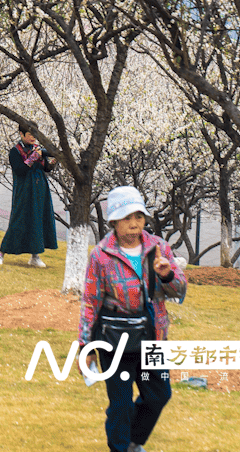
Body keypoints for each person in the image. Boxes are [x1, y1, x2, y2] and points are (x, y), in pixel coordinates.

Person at [78, 185, 186, 452]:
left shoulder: (158, 248)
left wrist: (166, 275)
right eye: (127, 218)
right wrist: (85, 346)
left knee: (158, 395)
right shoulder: (101, 255)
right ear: (114, 220)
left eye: (138, 217)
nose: (134, 224)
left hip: (153, 337)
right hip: (115, 339)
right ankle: (121, 445)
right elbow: (91, 302)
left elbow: (180, 290)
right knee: (122, 404)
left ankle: (133, 441)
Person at [0, 121, 58, 267]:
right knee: (18, 220)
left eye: (34, 135)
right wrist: (34, 157)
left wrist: (54, 161)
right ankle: (1, 253)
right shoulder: (15, 151)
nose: (33, 138)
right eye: (30, 135)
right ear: (21, 134)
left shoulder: (38, 149)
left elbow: (46, 168)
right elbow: (20, 170)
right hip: (24, 191)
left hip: (40, 190)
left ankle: (35, 256)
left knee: (37, 222)